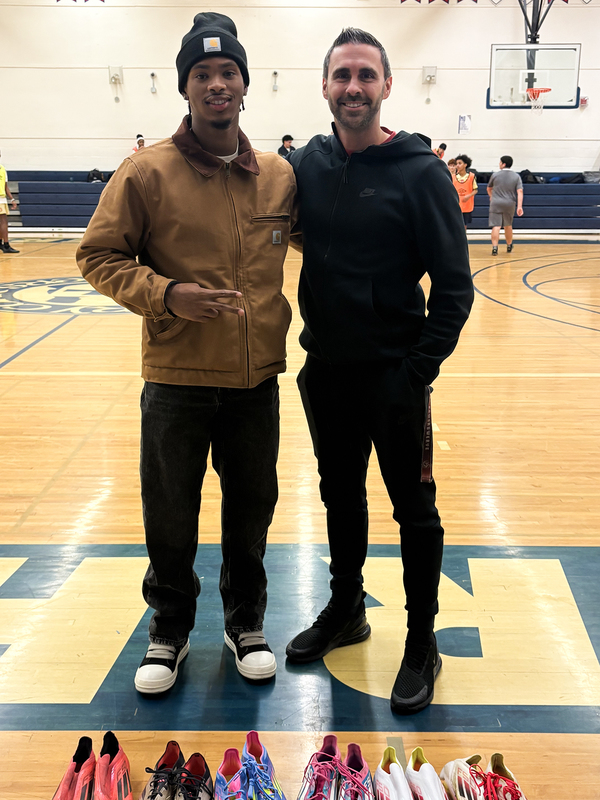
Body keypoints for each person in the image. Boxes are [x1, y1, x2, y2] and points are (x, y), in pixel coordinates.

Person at [77, 12, 297, 693]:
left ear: (244, 85)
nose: (215, 84)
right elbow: (97, 255)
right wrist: (168, 294)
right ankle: (169, 629)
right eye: (201, 75)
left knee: (252, 505)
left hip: (254, 380)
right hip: (175, 378)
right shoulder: (147, 173)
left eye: (227, 72)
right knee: (170, 509)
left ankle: (245, 621)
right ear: (186, 88)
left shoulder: (281, 177)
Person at [285, 28, 473, 715]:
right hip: (325, 373)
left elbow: (455, 289)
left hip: (395, 377)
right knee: (341, 497)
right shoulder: (307, 164)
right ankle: (346, 608)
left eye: (366, 75)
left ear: (387, 86)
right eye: (342, 76)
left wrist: (415, 372)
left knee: (414, 513)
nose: (354, 87)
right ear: (326, 86)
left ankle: (422, 640)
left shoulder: (420, 172)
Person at [487, 155, 524, 255]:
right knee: (508, 225)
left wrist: (492, 196)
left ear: (503, 164)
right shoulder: (516, 176)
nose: (499, 164)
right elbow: (519, 191)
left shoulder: (495, 175)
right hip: (509, 203)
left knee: (496, 225)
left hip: (496, 203)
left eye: (500, 162)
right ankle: (509, 245)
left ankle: (495, 248)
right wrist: (519, 206)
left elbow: (489, 188)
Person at [0, 151, 19, 254]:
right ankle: (6, 244)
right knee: (3, 222)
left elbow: (5, 186)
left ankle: (1, 243)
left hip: (2, 198)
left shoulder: (2, 169)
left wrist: (11, 199)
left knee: (3, 222)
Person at [453, 154, 478, 230]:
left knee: (464, 225)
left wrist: (468, 196)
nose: (457, 165)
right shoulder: (453, 177)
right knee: (455, 225)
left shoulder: (471, 176)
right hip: (456, 205)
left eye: (460, 163)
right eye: (456, 164)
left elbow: (475, 190)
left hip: (466, 206)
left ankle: (462, 240)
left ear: (465, 165)